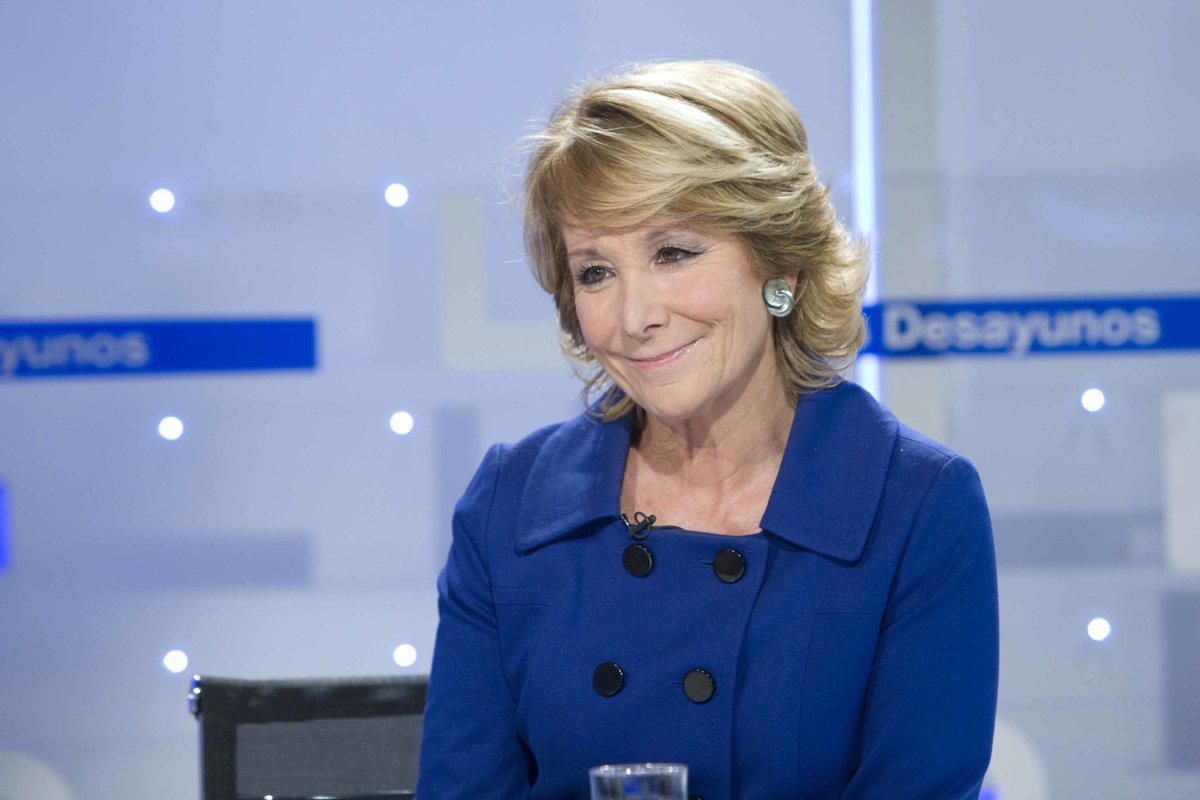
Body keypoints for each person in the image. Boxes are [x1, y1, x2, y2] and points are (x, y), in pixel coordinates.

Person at [417, 60, 998, 799]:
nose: (634, 318)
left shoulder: (915, 505)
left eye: (673, 253)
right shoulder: (511, 504)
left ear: (779, 263)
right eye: (595, 272)